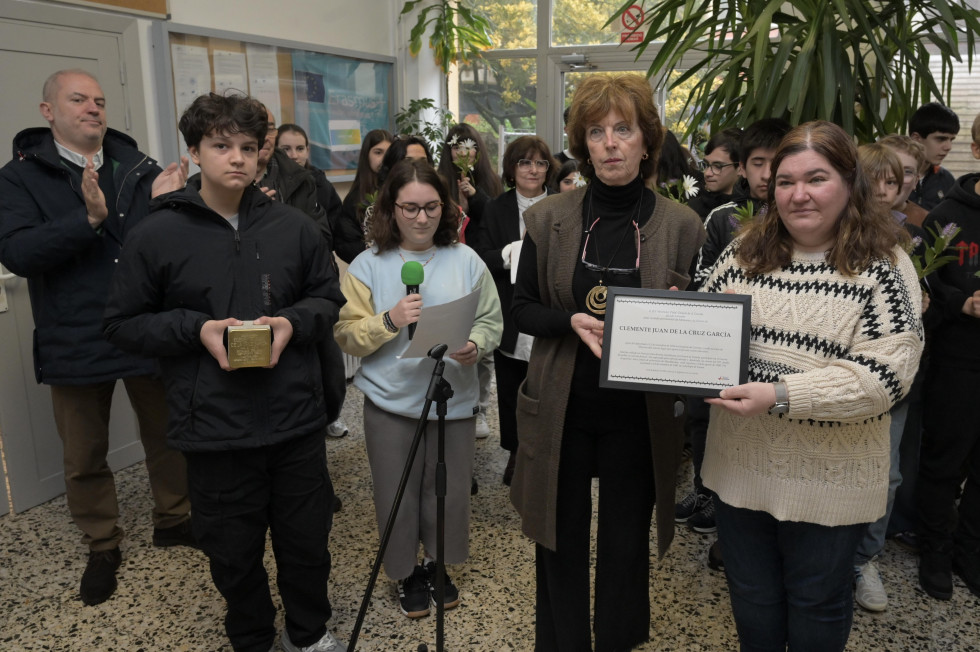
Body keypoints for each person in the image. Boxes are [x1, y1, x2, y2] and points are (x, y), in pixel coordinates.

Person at [103, 92, 347, 652]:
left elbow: (327, 298)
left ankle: (308, 634)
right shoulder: (156, 234)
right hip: (214, 426)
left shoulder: (294, 228)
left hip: (293, 421)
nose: (236, 158)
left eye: (247, 147)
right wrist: (196, 329)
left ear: (262, 153)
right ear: (193, 152)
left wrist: (292, 322)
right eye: (220, 146)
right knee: (233, 552)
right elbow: (122, 324)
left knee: (307, 544)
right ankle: (252, 636)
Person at [700, 120, 923, 651]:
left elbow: (885, 377)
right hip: (741, 468)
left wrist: (780, 396)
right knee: (751, 597)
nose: (798, 195)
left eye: (816, 178)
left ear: (850, 183)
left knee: (817, 602)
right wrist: (635, 330)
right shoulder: (742, 253)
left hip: (829, 480)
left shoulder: (884, 267)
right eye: (784, 181)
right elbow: (700, 327)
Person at [508, 74, 705, 651]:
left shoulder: (682, 225)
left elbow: (703, 328)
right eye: (597, 132)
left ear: (648, 141)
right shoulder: (548, 218)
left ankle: (617, 641)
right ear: (582, 143)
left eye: (625, 129)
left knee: (625, 542)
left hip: (636, 416)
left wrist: (682, 318)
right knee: (557, 534)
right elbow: (521, 309)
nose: (611, 143)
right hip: (562, 407)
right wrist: (567, 320)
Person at [0, 69, 193, 607]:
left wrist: (172, 206)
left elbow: (163, 247)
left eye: (100, 100)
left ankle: (174, 519)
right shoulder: (18, 179)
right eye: (78, 99)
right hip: (74, 334)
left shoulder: (138, 166)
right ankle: (103, 543)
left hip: (142, 326)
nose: (93, 108)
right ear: (48, 111)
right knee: (84, 451)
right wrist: (86, 219)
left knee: (167, 433)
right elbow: (16, 253)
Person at [333, 159, 502, 619]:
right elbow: (346, 334)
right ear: (391, 208)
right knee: (397, 491)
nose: (422, 218)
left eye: (431, 207)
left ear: (444, 208)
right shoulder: (369, 265)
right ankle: (406, 572)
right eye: (410, 208)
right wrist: (389, 320)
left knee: (443, 490)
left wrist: (475, 343)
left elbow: (491, 320)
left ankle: (437, 565)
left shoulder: (466, 259)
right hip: (391, 403)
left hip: (454, 400)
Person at [679, 118, 791, 540]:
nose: (767, 174)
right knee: (705, 421)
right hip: (720, 348)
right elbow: (702, 277)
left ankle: (740, 517)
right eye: (758, 163)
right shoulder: (725, 218)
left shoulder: (803, 219)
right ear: (743, 168)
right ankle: (706, 492)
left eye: (775, 162)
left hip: (772, 362)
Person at [850, 142, 929, 613]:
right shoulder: (837, 230)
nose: (883, 190)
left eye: (894, 181)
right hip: (842, 377)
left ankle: (864, 559)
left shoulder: (914, 234)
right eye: (874, 179)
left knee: (888, 475)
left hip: (893, 382)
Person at [915, 111, 980, 602]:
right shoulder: (947, 216)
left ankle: (969, 551)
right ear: (977, 152)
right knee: (944, 462)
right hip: (960, 359)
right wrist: (963, 302)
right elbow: (923, 288)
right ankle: (934, 550)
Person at [470, 135, 557, 485]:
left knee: (549, 384)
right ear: (511, 168)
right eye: (525, 162)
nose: (533, 170)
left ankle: (548, 452)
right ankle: (516, 452)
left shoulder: (563, 205)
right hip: (509, 310)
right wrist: (508, 255)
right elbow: (480, 255)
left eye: (540, 163)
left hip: (551, 310)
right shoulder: (496, 208)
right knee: (511, 387)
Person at [276, 123, 350, 441]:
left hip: (319, 283)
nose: (294, 155)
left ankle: (330, 415)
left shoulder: (318, 183)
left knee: (330, 363)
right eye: (285, 149)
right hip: (282, 290)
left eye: (300, 148)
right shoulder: (270, 183)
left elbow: (336, 230)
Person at [254, 107, 333, 250]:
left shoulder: (304, 180)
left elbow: (323, 238)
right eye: (256, 129)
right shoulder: (226, 182)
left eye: (270, 129)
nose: (264, 136)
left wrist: (279, 218)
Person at [335, 129, 391, 264]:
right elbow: (345, 245)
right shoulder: (355, 198)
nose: (384, 158)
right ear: (367, 155)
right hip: (370, 268)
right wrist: (372, 255)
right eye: (378, 152)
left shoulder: (403, 190)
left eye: (388, 153)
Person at [436, 124, 502, 227]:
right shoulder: (439, 182)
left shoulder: (493, 181)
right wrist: (461, 211)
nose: (462, 153)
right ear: (449, 152)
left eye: (467, 147)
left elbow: (498, 220)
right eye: (456, 147)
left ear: (477, 150)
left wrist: (475, 197)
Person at [909, 102, 960, 210]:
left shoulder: (946, 179)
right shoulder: (891, 177)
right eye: (941, 139)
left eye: (951, 139)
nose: (948, 147)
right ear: (916, 139)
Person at [688, 127, 742, 219]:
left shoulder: (757, 209)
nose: (707, 173)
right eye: (706, 164)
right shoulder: (692, 211)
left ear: (741, 168)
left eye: (718, 166)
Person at [879, 134, 929, 227]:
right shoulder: (851, 213)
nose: (896, 178)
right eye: (890, 169)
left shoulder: (925, 222)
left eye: (907, 172)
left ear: (915, 181)